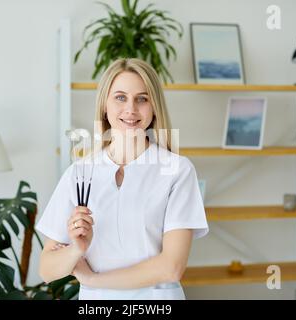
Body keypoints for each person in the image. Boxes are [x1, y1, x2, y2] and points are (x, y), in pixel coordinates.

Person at [36, 58, 208, 300]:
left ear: (154, 107)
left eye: (142, 98)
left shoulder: (177, 170)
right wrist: (76, 249)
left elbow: (172, 267)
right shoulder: (79, 172)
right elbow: (47, 269)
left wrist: (93, 280)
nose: (131, 109)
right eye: (120, 97)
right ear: (105, 105)